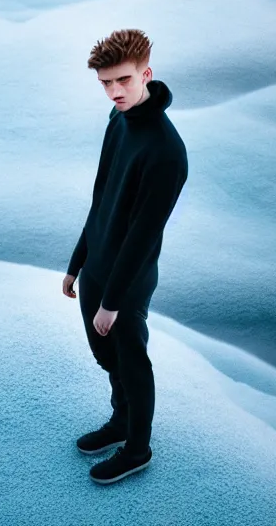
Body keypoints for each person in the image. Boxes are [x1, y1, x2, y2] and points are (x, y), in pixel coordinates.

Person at [62, 28, 188, 485]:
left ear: (146, 74)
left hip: (128, 280)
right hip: (97, 267)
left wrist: (113, 301)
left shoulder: (166, 152)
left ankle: (138, 448)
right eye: (105, 83)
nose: (114, 92)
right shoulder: (119, 119)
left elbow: (143, 234)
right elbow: (101, 198)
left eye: (124, 80)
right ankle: (120, 423)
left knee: (132, 361)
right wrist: (78, 261)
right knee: (107, 358)